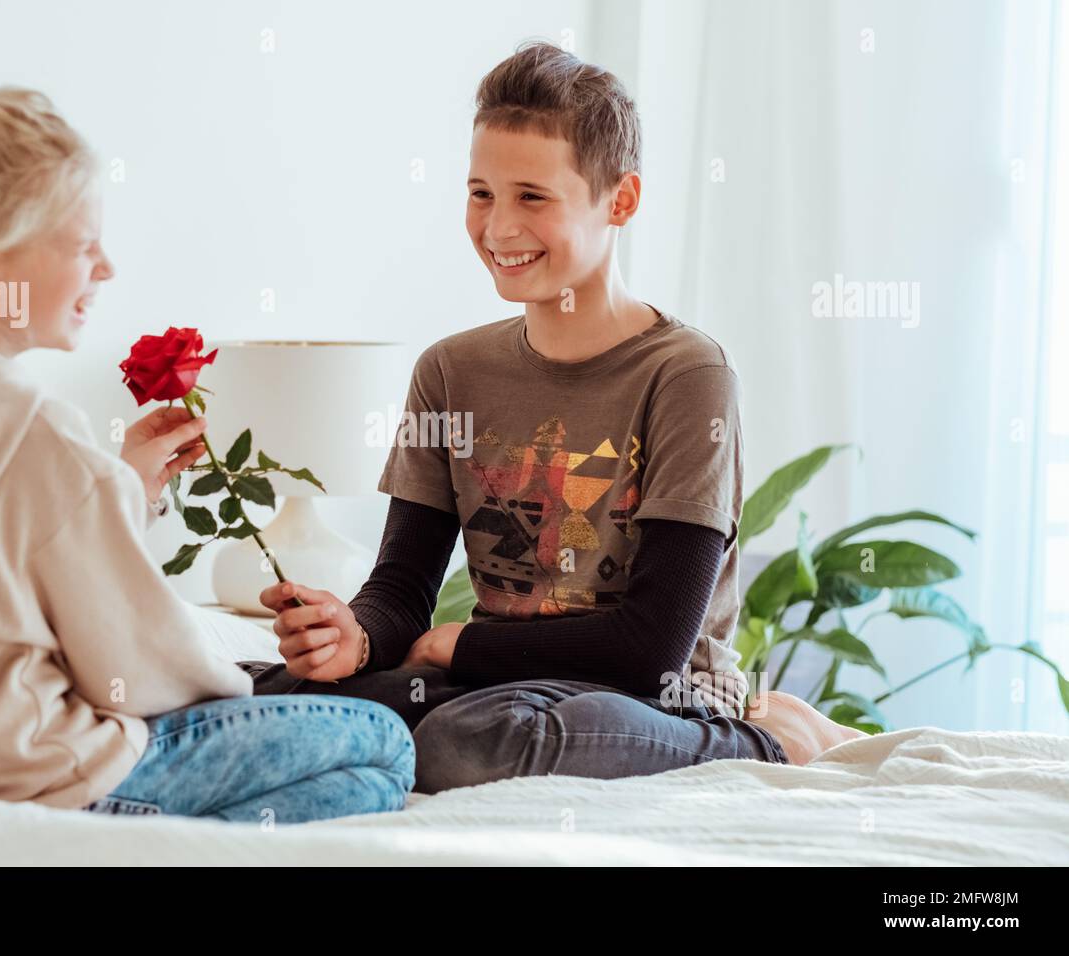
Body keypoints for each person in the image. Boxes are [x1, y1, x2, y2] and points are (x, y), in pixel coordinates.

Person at [0, 88, 413, 823]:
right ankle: (133, 839)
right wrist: (248, 689)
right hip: (45, 777)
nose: (106, 269)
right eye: (83, 247)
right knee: (383, 744)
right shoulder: (29, 427)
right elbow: (144, 670)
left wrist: (113, 489)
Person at [248, 43, 863, 792]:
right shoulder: (448, 372)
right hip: (503, 684)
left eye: (531, 197)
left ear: (621, 201)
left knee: (471, 744)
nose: (499, 227)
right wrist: (356, 634)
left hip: (651, 700)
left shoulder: (687, 376)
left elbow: (652, 646)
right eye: (481, 194)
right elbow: (402, 589)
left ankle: (767, 742)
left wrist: (452, 646)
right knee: (260, 696)